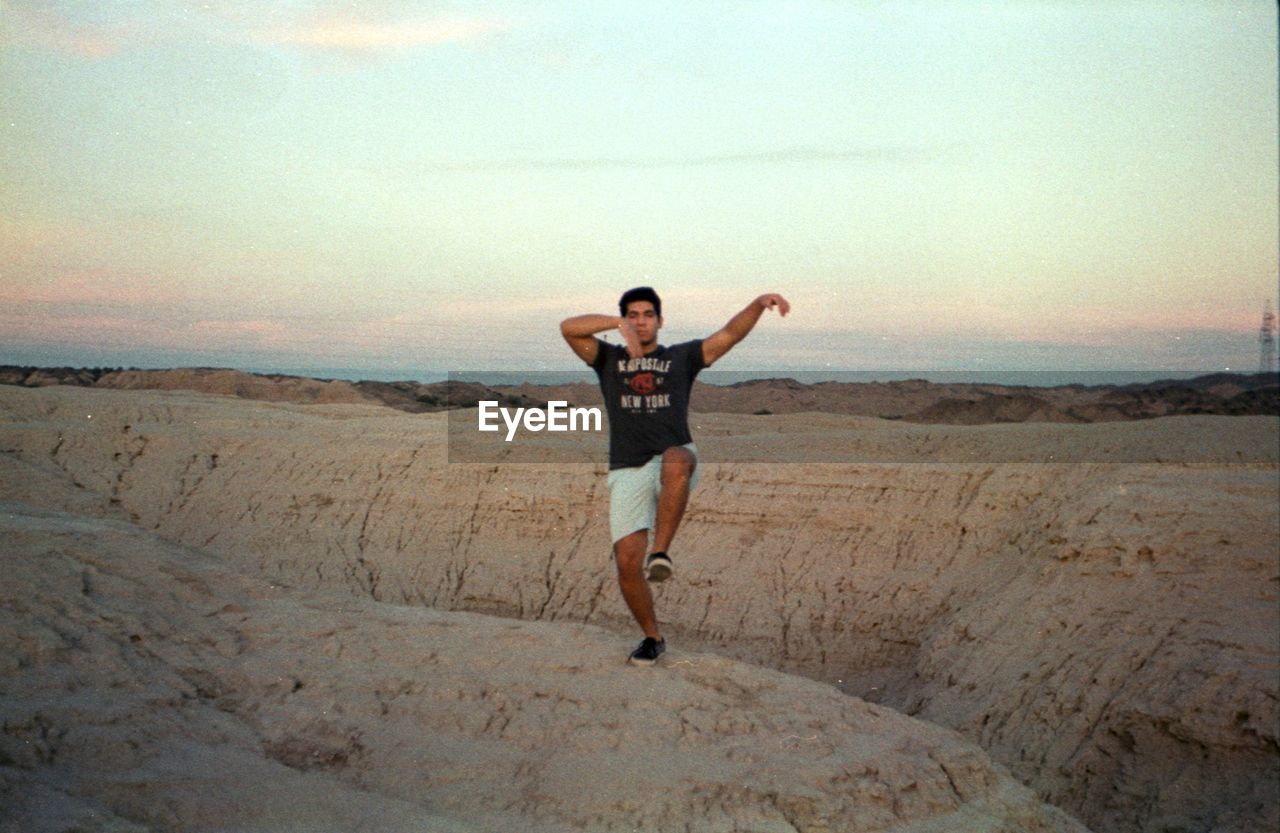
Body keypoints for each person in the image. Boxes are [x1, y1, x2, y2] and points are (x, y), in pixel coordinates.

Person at [560, 287, 790, 665]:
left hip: (674, 460)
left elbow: (728, 335)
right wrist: (617, 326)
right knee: (625, 564)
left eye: (647, 314)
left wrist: (758, 303)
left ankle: (661, 552)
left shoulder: (681, 358)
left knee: (675, 458)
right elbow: (569, 328)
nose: (640, 321)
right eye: (631, 315)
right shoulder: (608, 360)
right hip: (627, 467)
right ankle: (653, 637)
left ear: (660, 321)